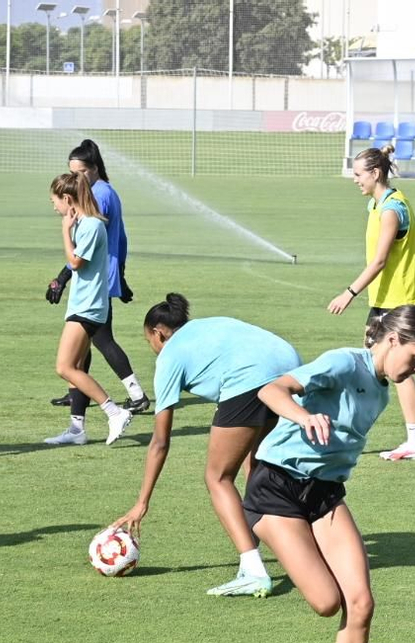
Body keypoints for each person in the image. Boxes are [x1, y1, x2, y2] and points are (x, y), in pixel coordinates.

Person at [246, 305, 415, 643]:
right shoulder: (342, 363)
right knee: (326, 601)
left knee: (362, 602)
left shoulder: (382, 392)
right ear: (391, 341)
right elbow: (271, 390)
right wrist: (300, 417)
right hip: (275, 487)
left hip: (324, 495)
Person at [112, 294, 303, 597]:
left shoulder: (169, 356)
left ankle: (253, 569)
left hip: (251, 379)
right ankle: (300, 550)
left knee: (217, 477)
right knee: (257, 468)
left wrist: (142, 502)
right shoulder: (207, 327)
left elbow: (160, 441)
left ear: (157, 333)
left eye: (148, 339)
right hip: (291, 368)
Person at [326, 144, 415, 462]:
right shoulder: (376, 205)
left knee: (395, 371)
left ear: (375, 173)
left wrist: (348, 293)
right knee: (371, 367)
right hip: (387, 299)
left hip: (401, 301)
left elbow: (379, 262)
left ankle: (414, 442)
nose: (355, 180)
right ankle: (352, 432)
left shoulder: (391, 209)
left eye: (358, 174)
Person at [46, 139, 151, 417]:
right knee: (88, 344)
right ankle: (77, 393)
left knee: (102, 339)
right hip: (102, 277)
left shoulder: (99, 195)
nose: (74, 177)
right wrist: (122, 276)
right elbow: (122, 239)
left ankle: (135, 396)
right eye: (71, 171)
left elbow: (87, 246)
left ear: (93, 168)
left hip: (97, 282)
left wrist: (62, 277)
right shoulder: (100, 191)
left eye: (79, 172)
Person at [43, 172, 133, 447]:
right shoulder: (85, 224)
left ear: (67, 199)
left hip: (89, 308)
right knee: (78, 365)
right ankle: (76, 429)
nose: (54, 207)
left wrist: (64, 231)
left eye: (54, 201)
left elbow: (75, 261)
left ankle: (115, 412)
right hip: (82, 305)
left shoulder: (92, 226)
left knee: (65, 366)